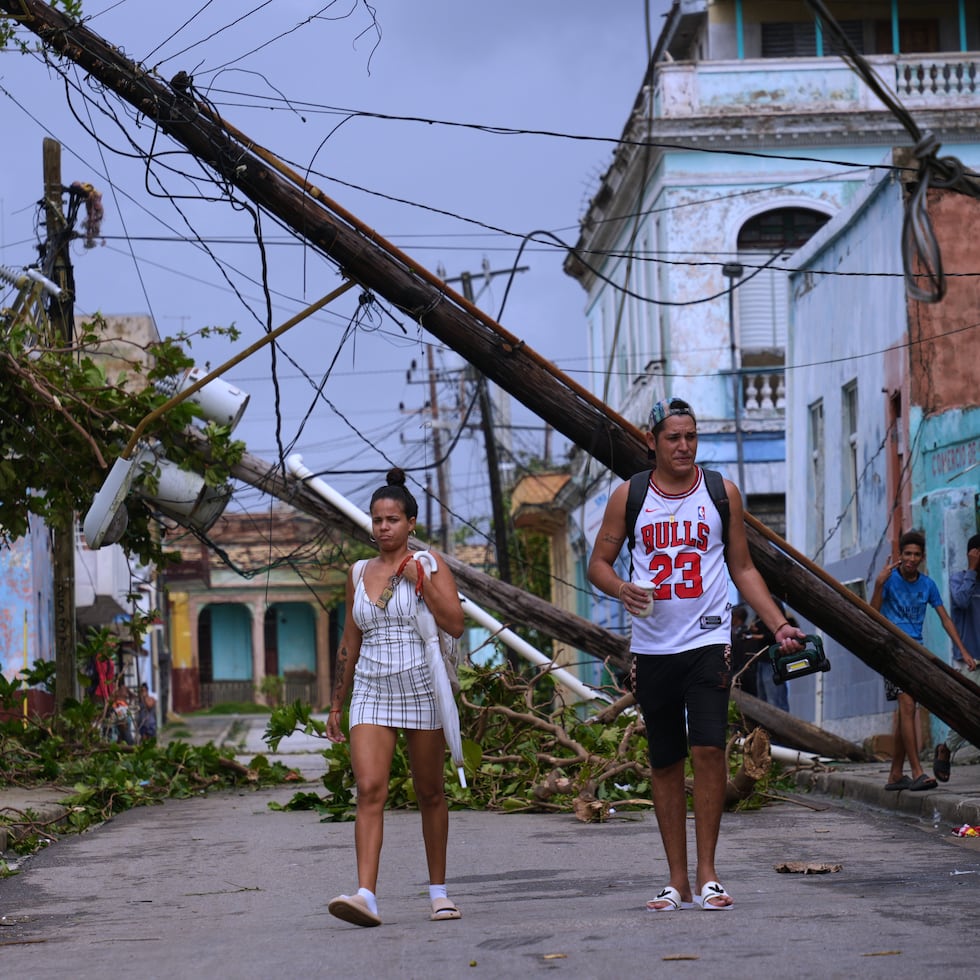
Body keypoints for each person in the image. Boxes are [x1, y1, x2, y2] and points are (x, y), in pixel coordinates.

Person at [588, 397, 804, 912]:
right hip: (653, 648)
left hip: (709, 642)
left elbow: (743, 568)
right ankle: (676, 880)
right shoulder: (630, 496)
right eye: (673, 438)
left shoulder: (719, 493)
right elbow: (597, 563)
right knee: (665, 760)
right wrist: (620, 588)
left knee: (709, 749)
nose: (684, 446)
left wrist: (779, 625)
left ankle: (708, 874)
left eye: (691, 436)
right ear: (652, 442)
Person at [326, 468, 465, 928]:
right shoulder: (357, 573)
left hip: (422, 685)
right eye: (377, 519)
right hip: (371, 689)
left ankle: (439, 892)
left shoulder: (429, 565)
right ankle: (366, 895)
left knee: (430, 792)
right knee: (369, 789)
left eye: (392, 519)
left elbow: (455, 623)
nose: (383, 527)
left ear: (410, 523)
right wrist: (335, 704)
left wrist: (417, 580)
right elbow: (350, 641)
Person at [871, 529, 973, 792]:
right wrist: (879, 584)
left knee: (906, 711)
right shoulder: (890, 580)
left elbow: (945, 620)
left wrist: (963, 651)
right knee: (907, 706)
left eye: (917, 555)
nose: (912, 559)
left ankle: (895, 774)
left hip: (916, 652)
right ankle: (916, 771)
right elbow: (870, 613)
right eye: (907, 554)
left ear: (922, 558)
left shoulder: (927, 584)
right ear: (900, 555)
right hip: (892, 650)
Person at [932, 533, 980, 780]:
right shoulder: (959, 579)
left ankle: (947, 747)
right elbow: (960, 602)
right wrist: (972, 570)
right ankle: (946, 748)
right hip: (969, 659)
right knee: (967, 710)